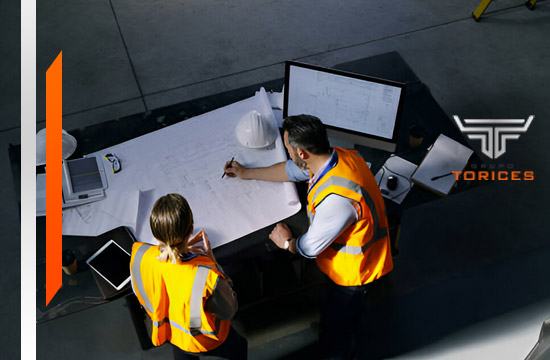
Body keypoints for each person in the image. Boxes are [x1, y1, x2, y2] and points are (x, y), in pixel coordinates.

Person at [224, 114, 393, 359]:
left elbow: (308, 248)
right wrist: (247, 173)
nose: (288, 153)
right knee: (336, 313)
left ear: (302, 153)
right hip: (357, 258)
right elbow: (292, 171)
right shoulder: (337, 157)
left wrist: (286, 242)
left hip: (354, 273)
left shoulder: (338, 200)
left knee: (340, 321)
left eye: (288, 148)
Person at [130, 193, 247, 360]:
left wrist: (177, 252)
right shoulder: (206, 275)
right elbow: (229, 311)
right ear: (191, 229)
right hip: (203, 340)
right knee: (239, 348)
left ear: (156, 236)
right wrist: (212, 261)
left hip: (172, 333)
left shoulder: (141, 256)